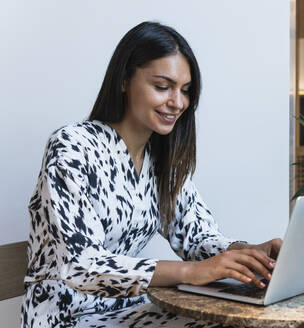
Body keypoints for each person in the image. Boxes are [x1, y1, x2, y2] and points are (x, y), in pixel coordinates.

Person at [21, 21, 282, 328]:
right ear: (124, 80)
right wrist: (190, 272)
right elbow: (82, 266)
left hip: (131, 310)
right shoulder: (72, 147)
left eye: (185, 91)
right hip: (66, 317)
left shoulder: (162, 159)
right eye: (162, 87)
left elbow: (197, 237)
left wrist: (248, 253)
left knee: (242, 319)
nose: (178, 102)